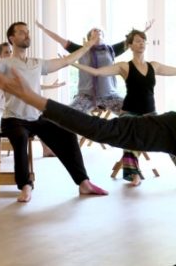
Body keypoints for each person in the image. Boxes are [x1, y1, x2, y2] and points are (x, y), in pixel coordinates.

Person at [0, 21, 108, 203]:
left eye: (27, 32)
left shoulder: (37, 63)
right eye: (22, 32)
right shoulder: (6, 63)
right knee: (20, 139)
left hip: (36, 118)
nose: (27, 35)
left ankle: (83, 183)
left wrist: (89, 44)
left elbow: (66, 61)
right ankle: (25, 186)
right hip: (13, 119)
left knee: (68, 135)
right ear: (12, 39)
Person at [0, 61, 176, 158]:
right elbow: (103, 129)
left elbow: (103, 130)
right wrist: (32, 98)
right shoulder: (171, 125)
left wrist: (31, 98)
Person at [72, 29, 176, 186]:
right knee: (131, 133)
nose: (141, 43)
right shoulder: (124, 67)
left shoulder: (154, 66)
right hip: (130, 113)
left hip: (150, 113)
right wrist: (73, 64)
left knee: (170, 131)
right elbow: (98, 72)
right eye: (137, 41)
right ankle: (134, 174)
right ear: (130, 45)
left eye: (143, 40)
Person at [36, 20, 154, 113]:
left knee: (133, 111)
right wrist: (43, 29)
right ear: (89, 37)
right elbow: (60, 40)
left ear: (103, 36)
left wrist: (144, 31)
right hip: (86, 96)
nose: (98, 31)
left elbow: (131, 40)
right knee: (68, 114)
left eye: (100, 31)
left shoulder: (111, 50)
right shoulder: (81, 50)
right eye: (94, 30)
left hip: (110, 95)